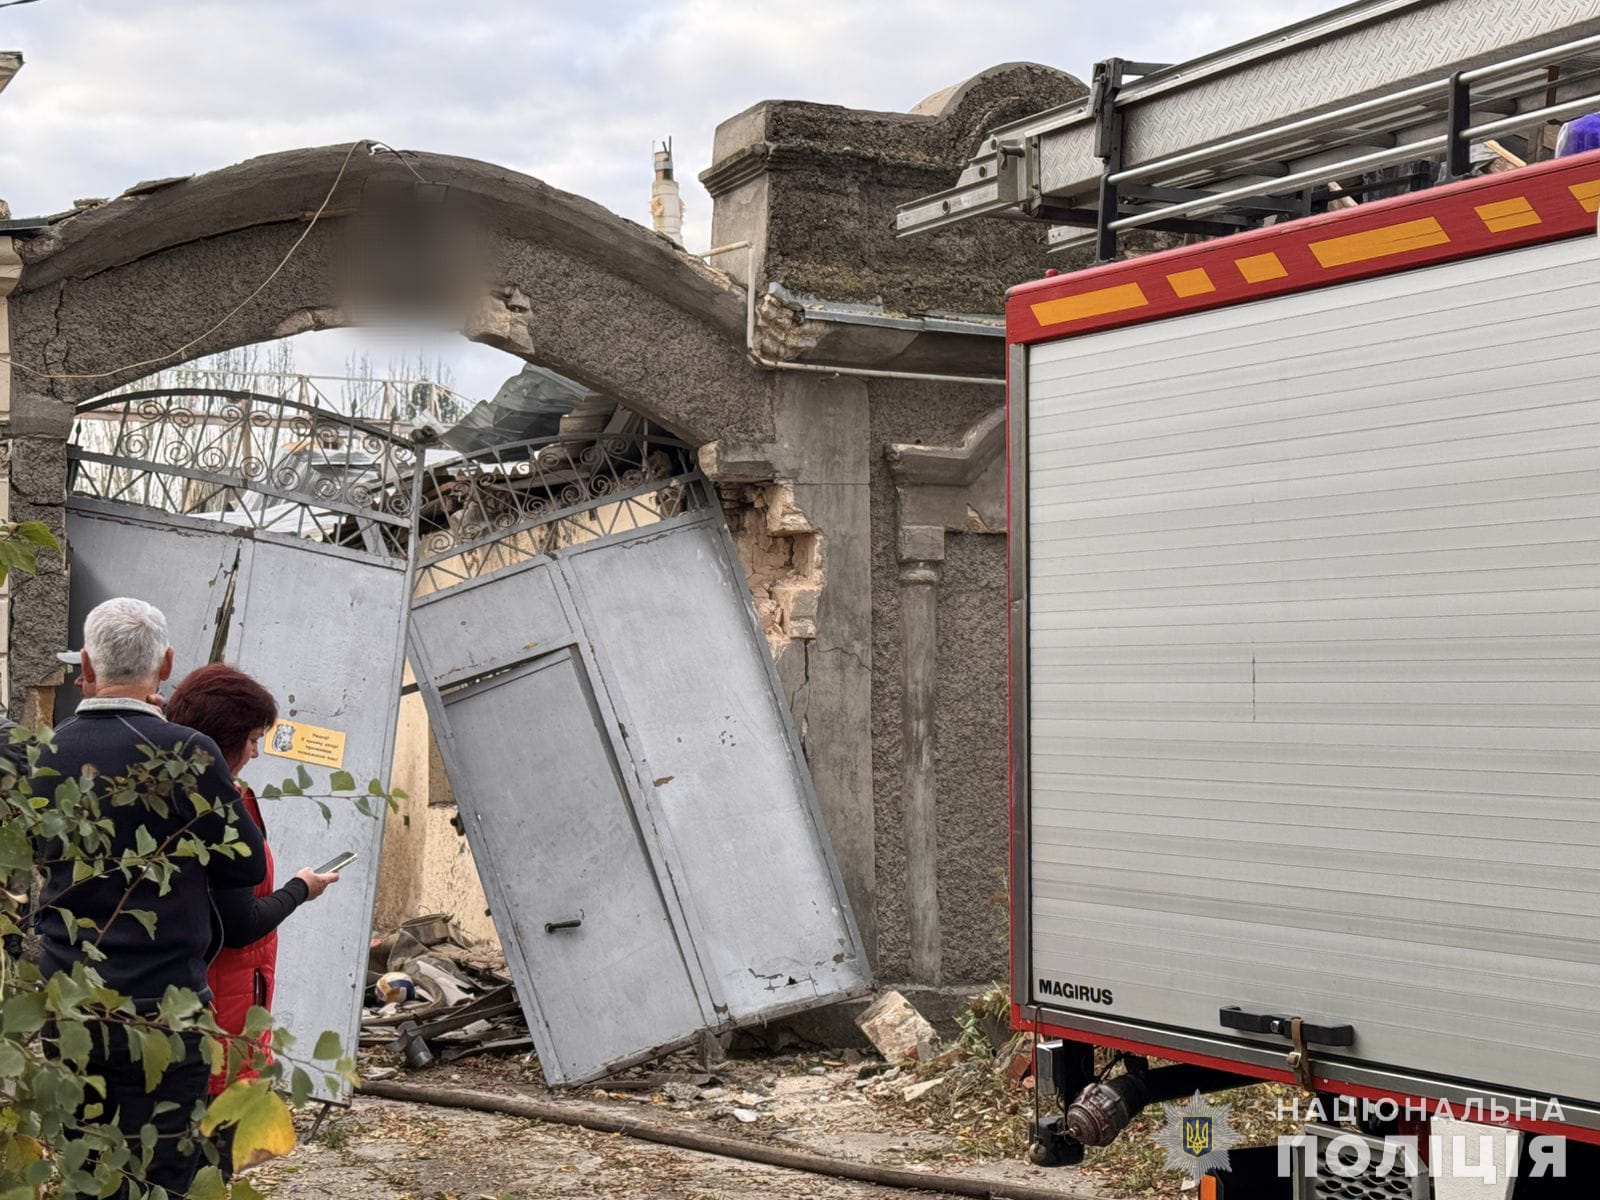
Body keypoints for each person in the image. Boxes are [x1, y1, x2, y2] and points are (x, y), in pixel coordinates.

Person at [33, 598, 266, 1198]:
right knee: (166, 1174)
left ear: (85, 663)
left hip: (72, 1008)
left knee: (88, 1169)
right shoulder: (188, 752)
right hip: (169, 1011)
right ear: (165, 665)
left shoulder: (49, 755)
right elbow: (244, 866)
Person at [164, 665, 340, 1140]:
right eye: (252, 739)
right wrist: (302, 888)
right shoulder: (218, 807)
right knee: (210, 1154)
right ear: (225, 737)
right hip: (222, 1005)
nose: (256, 753)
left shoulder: (192, 791)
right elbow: (237, 923)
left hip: (225, 998)